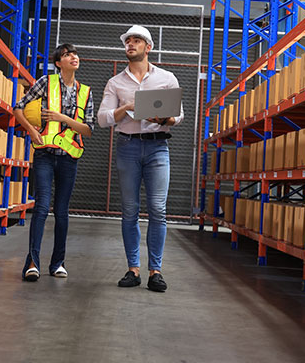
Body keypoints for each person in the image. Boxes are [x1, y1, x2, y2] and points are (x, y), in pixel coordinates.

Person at [97, 25, 183, 292]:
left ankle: (155, 271)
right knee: (130, 210)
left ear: (148, 47)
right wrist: (126, 107)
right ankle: (133, 269)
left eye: (136, 41)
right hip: (128, 147)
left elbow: (178, 115)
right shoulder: (115, 83)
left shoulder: (167, 78)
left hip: (158, 148)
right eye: (127, 42)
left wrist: (164, 119)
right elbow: (102, 119)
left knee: (158, 209)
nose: (130, 45)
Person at [13, 43, 94, 281]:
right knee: (41, 207)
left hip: (69, 158)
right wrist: (30, 130)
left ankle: (58, 263)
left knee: (61, 211)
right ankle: (32, 263)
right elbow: (18, 107)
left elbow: (88, 129)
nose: (73, 57)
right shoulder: (46, 83)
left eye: (75, 54)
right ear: (58, 63)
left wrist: (62, 118)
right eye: (67, 55)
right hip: (45, 155)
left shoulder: (85, 91)